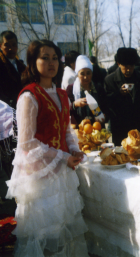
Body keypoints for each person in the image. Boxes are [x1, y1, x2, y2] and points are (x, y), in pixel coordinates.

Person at [5, 39, 89, 256]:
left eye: (55, 58)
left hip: (61, 172)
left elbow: (66, 130)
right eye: (45, 58)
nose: (51, 63)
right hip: (40, 175)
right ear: (33, 62)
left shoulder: (62, 94)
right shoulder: (29, 95)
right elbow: (26, 141)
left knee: (62, 229)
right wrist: (63, 156)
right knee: (45, 233)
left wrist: (74, 149)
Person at [104, 47, 140, 145]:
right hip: (120, 128)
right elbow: (107, 102)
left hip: (138, 127)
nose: (128, 70)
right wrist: (119, 93)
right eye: (125, 66)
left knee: (138, 157)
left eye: (131, 66)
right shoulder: (110, 80)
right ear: (118, 64)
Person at [67, 55, 108, 125]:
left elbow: (106, 107)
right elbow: (65, 110)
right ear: (77, 74)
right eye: (82, 74)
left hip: (97, 129)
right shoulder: (71, 89)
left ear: (92, 73)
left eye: (88, 73)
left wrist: (104, 116)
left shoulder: (98, 88)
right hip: (79, 129)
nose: (86, 77)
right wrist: (75, 104)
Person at [0, 31, 26, 109]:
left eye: (14, 45)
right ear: (0, 46)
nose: (11, 49)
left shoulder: (21, 65)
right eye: (7, 45)